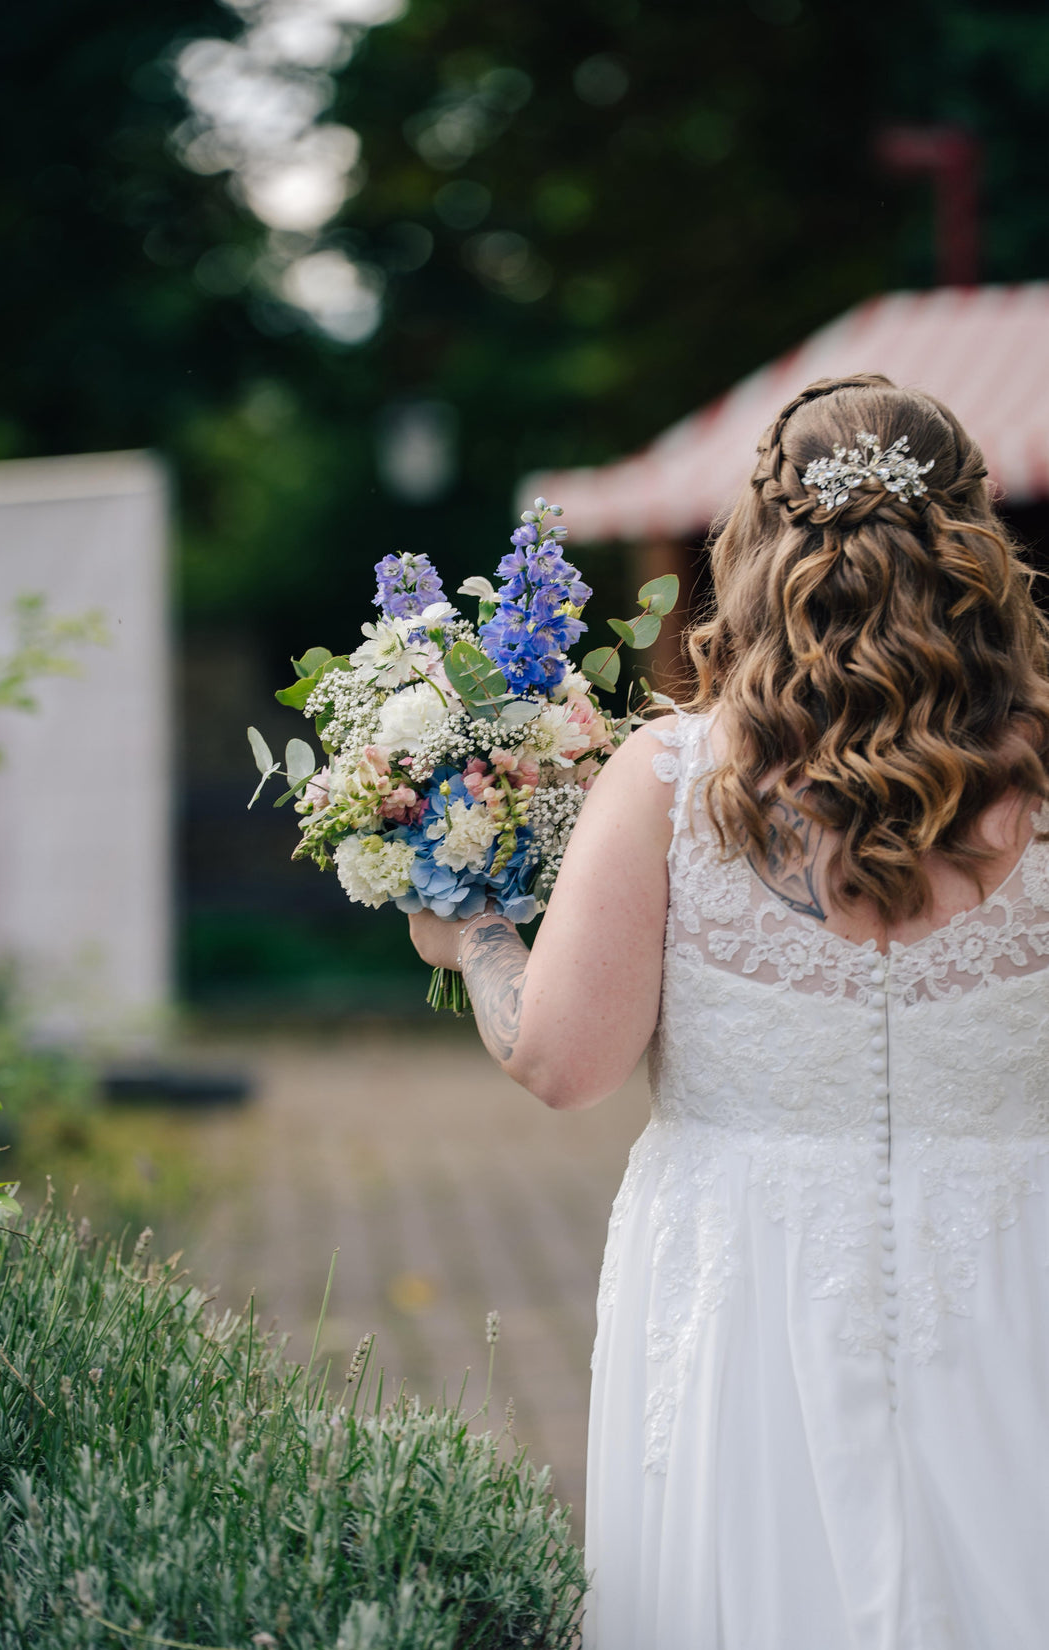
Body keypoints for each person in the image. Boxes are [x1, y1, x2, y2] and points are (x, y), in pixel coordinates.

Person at [407, 373, 1049, 1650]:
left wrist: (472, 934)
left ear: (752, 546)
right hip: (1010, 1263)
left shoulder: (664, 778)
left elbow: (562, 1061)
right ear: (976, 545)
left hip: (747, 1278)